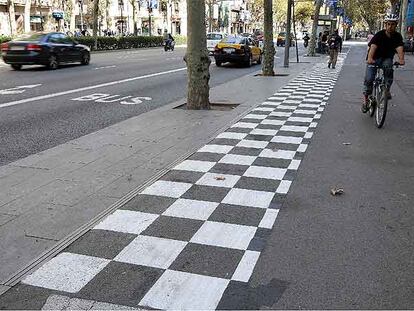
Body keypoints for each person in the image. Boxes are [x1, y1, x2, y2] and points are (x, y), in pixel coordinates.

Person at [362, 13, 405, 112]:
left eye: (393, 24)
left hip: (386, 58)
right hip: (374, 58)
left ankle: (387, 89)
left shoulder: (397, 36)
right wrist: (370, 58)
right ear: (385, 24)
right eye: (388, 24)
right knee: (369, 79)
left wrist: (401, 59)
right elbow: (373, 47)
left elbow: (399, 48)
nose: (390, 26)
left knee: (389, 67)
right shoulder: (379, 35)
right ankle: (365, 101)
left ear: (396, 25)